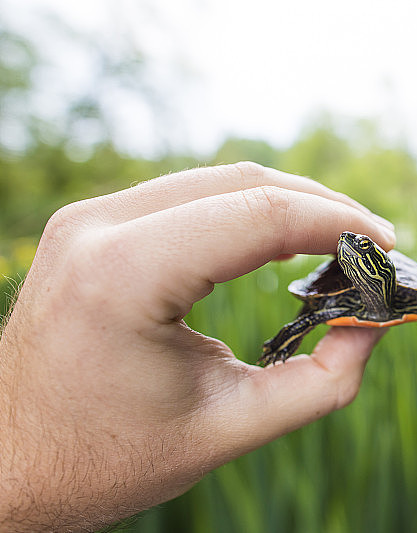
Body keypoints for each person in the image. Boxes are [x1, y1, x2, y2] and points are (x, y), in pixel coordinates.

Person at [0, 162, 396, 532]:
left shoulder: (399, 291)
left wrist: (23, 461)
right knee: (304, 320)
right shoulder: (340, 292)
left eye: (363, 255)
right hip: (349, 300)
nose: (354, 251)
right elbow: (306, 319)